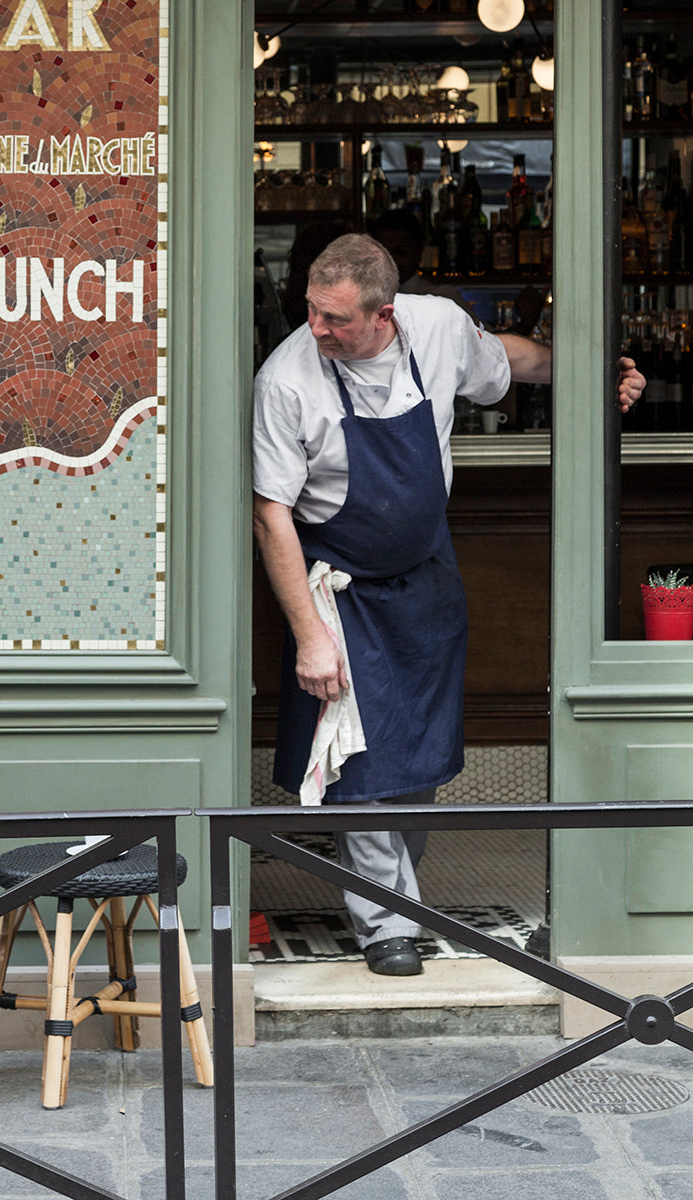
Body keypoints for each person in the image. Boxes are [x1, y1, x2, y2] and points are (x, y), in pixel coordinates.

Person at [252, 233, 644, 976]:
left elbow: (515, 361)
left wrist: (594, 374)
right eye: (311, 310)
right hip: (339, 586)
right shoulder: (287, 380)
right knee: (357, 761)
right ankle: (386, 922)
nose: (318, 328)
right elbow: (272, 513)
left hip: (428, 574)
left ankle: (397, 899)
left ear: (384, 314)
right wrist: (309, 634)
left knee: (417, 757)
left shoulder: (435, 327)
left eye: (335, 318)